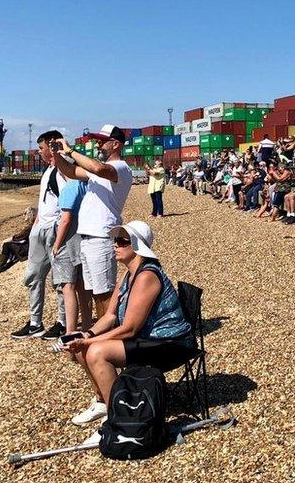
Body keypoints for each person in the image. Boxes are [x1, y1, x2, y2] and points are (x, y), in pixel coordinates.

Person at [64, 221, 194, 429]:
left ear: (137, 245)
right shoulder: (128, 274)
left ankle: (117, 417)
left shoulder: (147, 276)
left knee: (96, 352)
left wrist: (91, 341)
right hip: (147, 338)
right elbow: (110, 316)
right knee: (83, 348)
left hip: (170, 343)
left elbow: (129, 328)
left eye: (122, 241)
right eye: (116, 240)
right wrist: (86, 335)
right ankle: (102, 402)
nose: (115, 245)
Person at [53, 124, 134, 324]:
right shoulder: (99, 172)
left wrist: (71, 150)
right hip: (88, 237)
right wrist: (57, 154)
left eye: (101, 141)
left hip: (102, 236)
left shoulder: (120, 168)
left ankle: (113, 335)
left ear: (115, 144)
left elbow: (98, 167)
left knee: (105, 292)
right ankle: (103, 332)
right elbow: (71, 172)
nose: (98, 144)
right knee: (96, 292)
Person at [11, 131, 68, 341]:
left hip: (54, 229)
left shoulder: (63, 170)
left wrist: (59, 231)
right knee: (33, 276)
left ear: (52, 146)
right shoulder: (48, 170)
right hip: (40, 228)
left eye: (41, 147)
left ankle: (63, 323)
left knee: (60, 280)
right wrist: (34, 224)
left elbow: (66, 205)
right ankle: (35, 323)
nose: (38, 151)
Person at [51, 176, 89, 340]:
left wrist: (56, 245)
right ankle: (87, 327)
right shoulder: (84, 185)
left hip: (68, 243)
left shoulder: (70, 187)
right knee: (82, 287)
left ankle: (70, 334)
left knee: (68, 288)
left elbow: (65, 220)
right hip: (82, 240)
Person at [0, 208, 36, 276]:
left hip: (28, 250)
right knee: (13, 244)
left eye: (25, 214)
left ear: (30, 215)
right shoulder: (36, 224)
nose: (23, 216)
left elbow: (19, 236)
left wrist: (7, 240)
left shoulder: (30, 227)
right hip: (32, 247)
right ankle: (6, 262)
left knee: (7, 245)